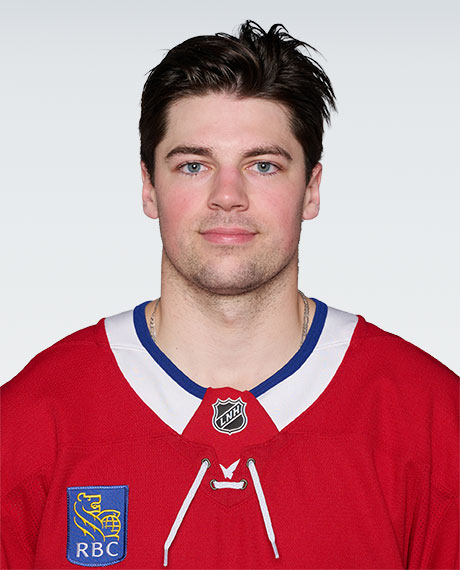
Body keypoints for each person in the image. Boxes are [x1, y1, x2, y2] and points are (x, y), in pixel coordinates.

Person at [1, 20, 458, 570]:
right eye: (194, 165)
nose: (227, 195)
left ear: (311, 189)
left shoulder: (432, 420)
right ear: (149, 187)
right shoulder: (30, 422)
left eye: (262, 165)